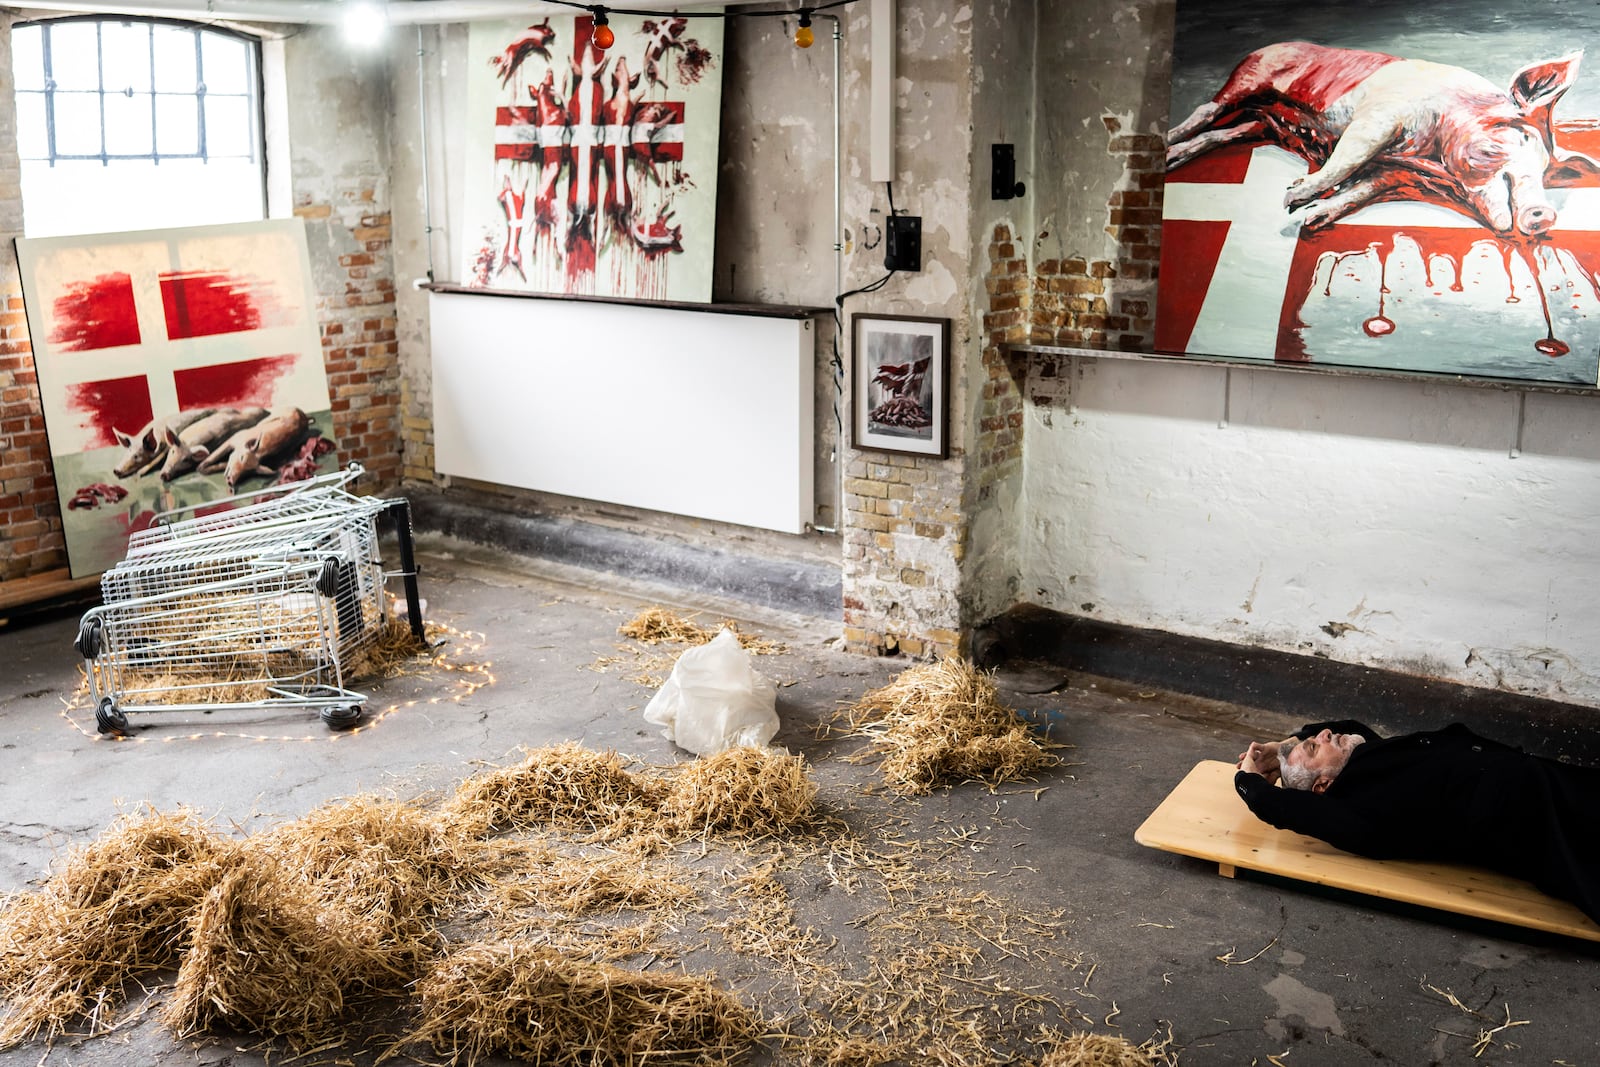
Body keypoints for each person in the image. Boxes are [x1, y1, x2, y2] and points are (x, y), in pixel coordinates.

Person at [1233, 719, 1600, 924]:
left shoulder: (1368, 757)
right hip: (1548, 817)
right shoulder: (1357, 811)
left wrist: (1279, 746)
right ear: (1323, 786)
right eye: (1315, 747)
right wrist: (1247, 777)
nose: (1324, 735)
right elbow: (1274, 805)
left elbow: (1347, 724)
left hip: (1549, 780)